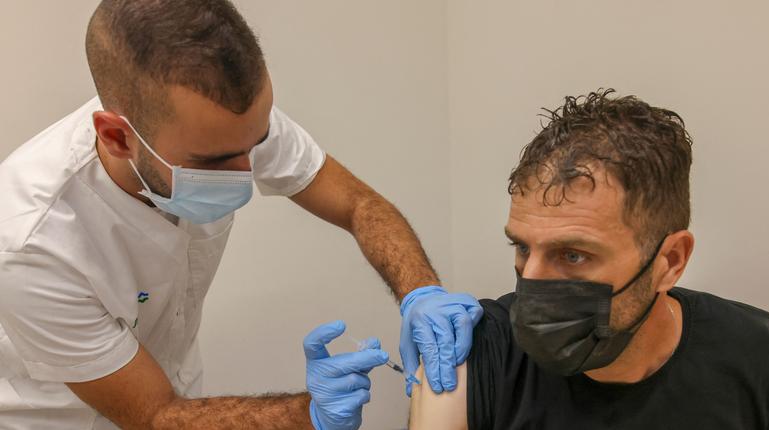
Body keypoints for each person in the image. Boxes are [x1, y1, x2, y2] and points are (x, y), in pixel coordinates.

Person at [0, 1, 481, 428]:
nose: (247, 171)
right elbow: (154, 415)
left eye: (257, 144)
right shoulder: (31, 241)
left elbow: (359, 205)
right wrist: (309, 412)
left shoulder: (229, 125)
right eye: (214, 163)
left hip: (178, 395)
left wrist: (421, 292)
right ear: (117, 138)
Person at [408, 89, 769, 430]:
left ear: (670, 261)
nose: (532, 282)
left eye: (573, 255)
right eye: (523, 248)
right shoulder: (475, 351)